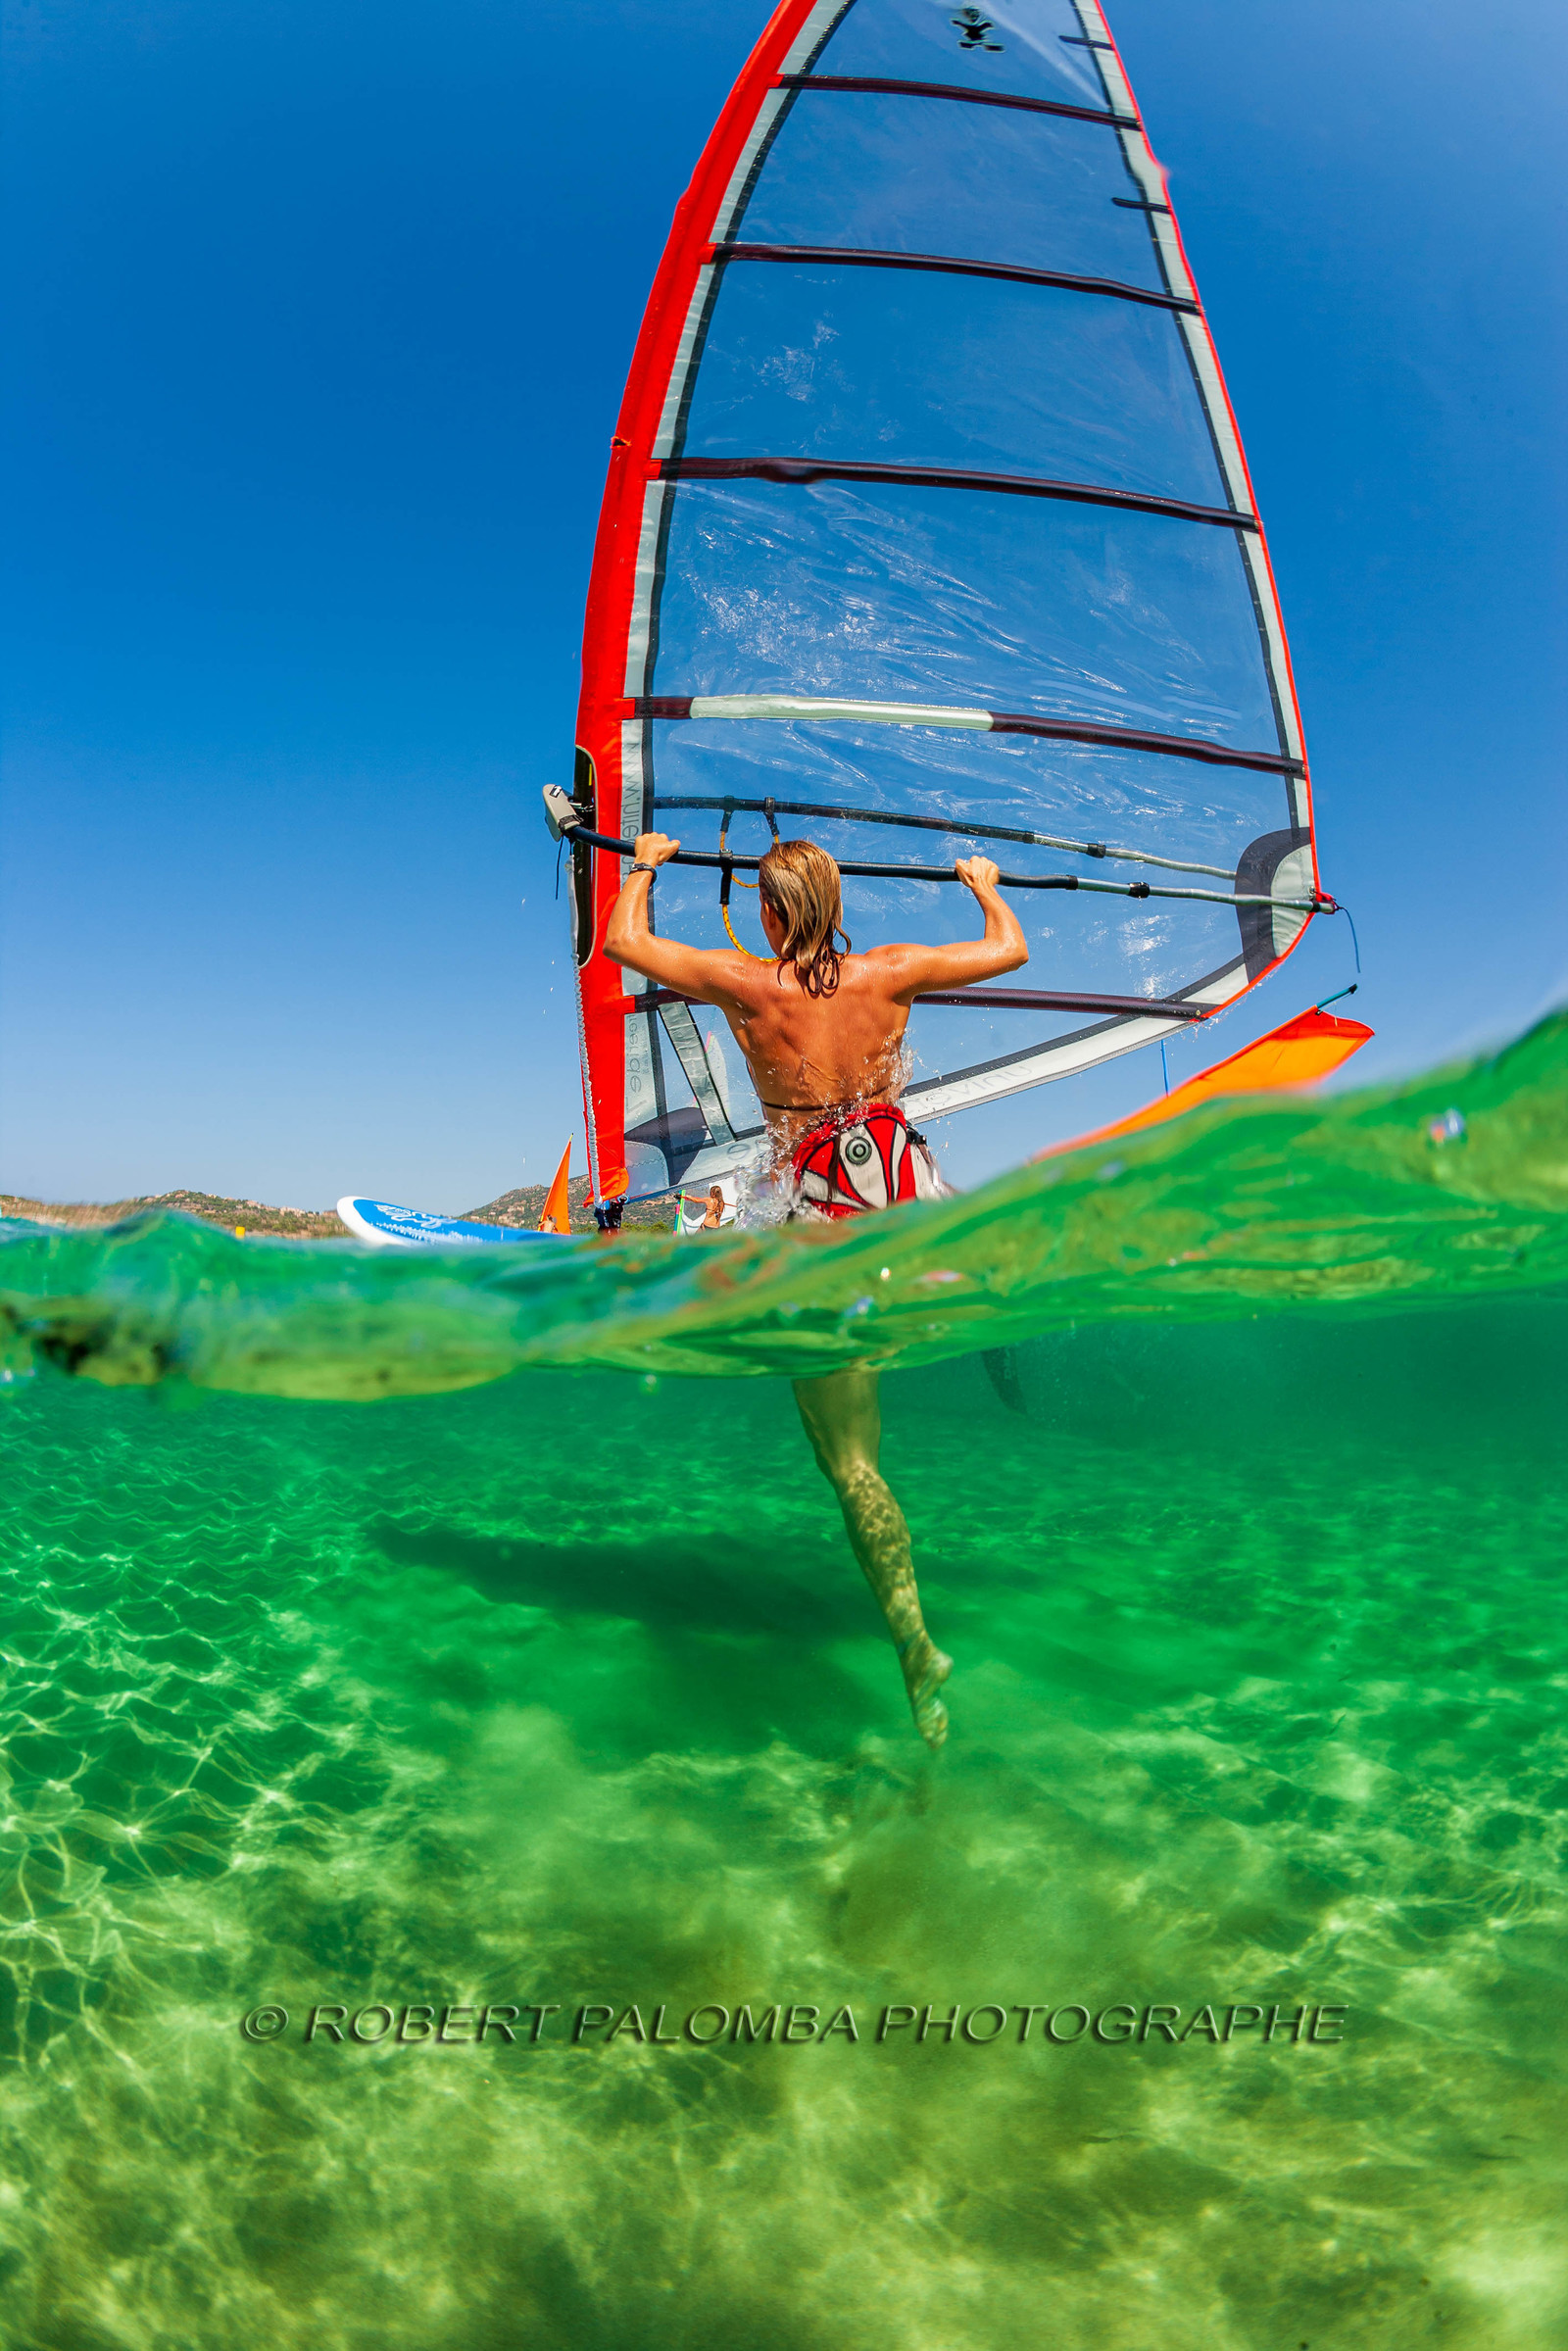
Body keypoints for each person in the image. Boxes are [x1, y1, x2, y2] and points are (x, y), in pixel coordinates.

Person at [604, 831, 1027, 1746]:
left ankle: (916, 1648)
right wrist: (984, 886)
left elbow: (626, 944)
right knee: (955, 1269)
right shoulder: (890, 972)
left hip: (824, 1210)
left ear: (767, 911)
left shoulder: (747, 985)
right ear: (838, 906)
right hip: (908, 1190)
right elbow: (1009, 950)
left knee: (853, 1466)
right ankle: (988, 1320)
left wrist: (643, 862)